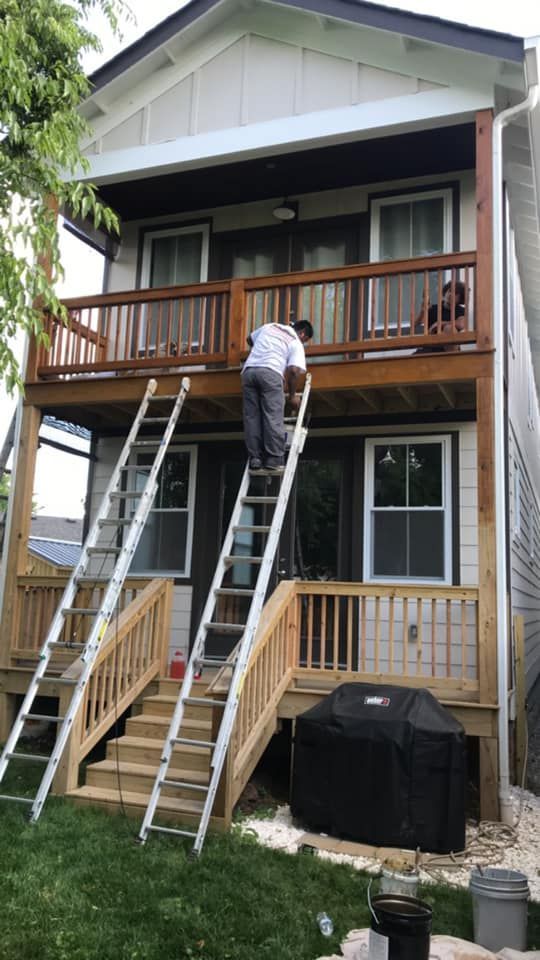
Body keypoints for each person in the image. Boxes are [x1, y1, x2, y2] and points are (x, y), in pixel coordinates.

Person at [241, 320, 313, 474]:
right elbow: (293, 371)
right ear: (302, 334)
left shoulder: (270, 326)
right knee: (272, 416)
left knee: (252, 417)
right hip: (271, 373)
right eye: (305, 340)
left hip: (249, 372)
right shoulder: (295, 342)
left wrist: (264, 350)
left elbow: (249, 339)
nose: (303, 342)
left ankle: (255, 458)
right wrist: (293, 396)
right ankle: (273, 458)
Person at [414, 280, 467, 353]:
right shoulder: (434, 308)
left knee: (449, 328)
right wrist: (422, 312)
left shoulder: (460, 310)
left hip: (449, 349)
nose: (451, 294)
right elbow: (415, 324)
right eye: (450, 291)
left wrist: (439, 324)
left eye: (456, 293)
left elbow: (461, 324)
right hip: (430, 347)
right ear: (445, 292)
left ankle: (452, 360)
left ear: (460, 298)